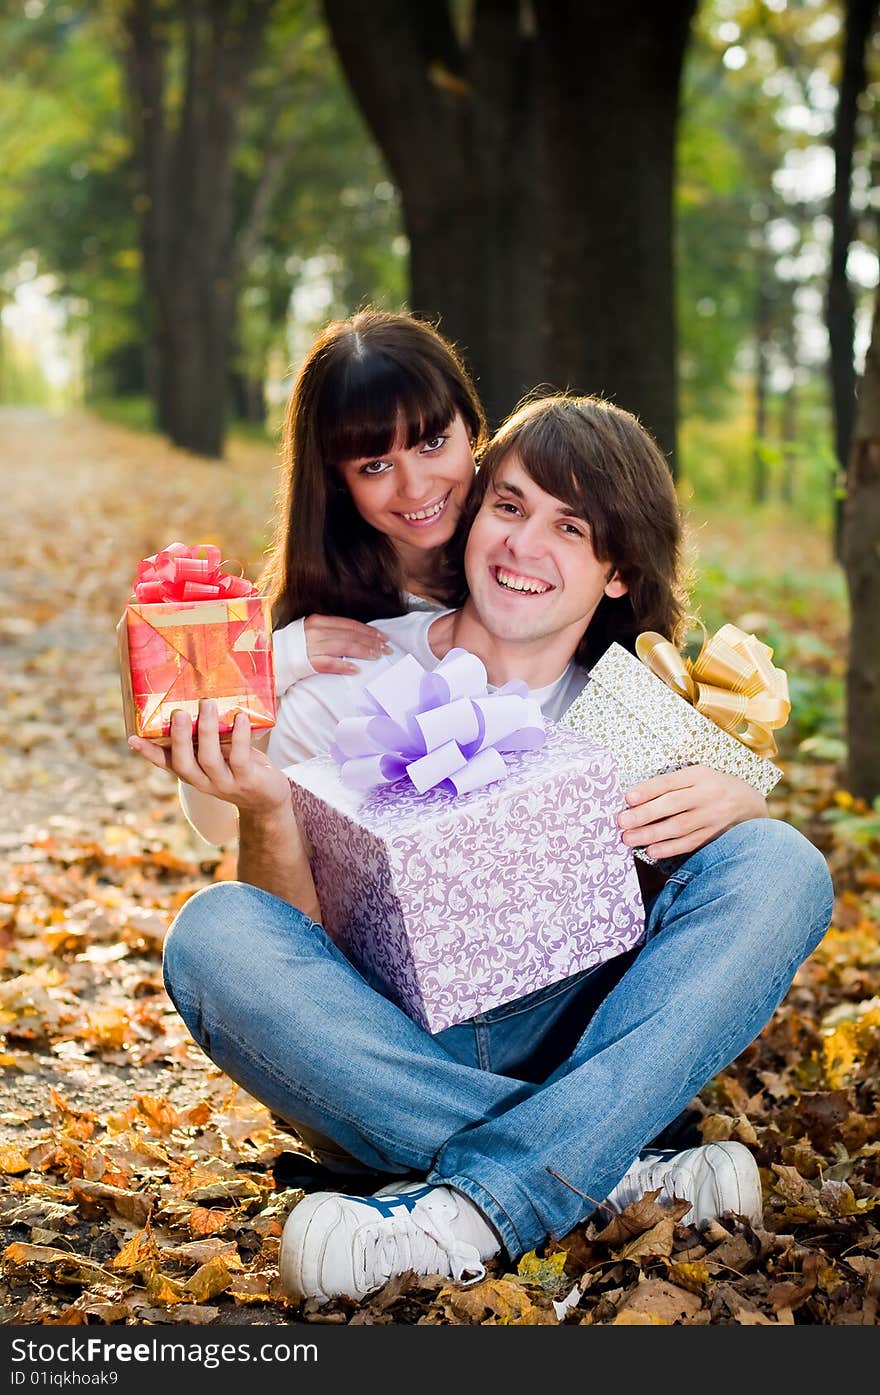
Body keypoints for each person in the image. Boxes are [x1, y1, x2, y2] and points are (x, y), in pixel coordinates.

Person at [129, 394, 834, 1306]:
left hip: (570, 1041)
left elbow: (711, 933)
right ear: (474, 516)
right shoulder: (345, 671)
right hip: (386, 1043)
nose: (522, 544)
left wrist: (736, 807)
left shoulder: (647, 720)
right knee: (213, 932)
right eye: (509, 505)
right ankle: (607, 1172)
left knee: (785, 864)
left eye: (570, 526)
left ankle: (467, 1205)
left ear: (617, 572)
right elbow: (292, 945)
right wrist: (268, 809)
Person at [265, 306, 487, 692]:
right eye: (375, 466)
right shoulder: (316, 619)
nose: (415, 488)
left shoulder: (533, 540)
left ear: (469, 425)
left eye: (432, 444)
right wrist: (277, 661)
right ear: (335, 479)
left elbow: (626, 661)